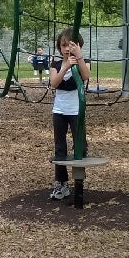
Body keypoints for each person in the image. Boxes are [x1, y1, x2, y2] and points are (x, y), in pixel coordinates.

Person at [48, 28, 90, 200]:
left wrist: (78, 57)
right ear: (59, 48)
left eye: (70, 45)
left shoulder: (83, 61)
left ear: (78, 45)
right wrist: (65, 66)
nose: (67, 49)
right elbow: (54, 83)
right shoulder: (56, 65)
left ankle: (79, 180)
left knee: (81, 145)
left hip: (76, 110)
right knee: (60, 148)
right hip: (60, 110)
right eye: (63, 45)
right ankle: (62, 183)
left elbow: (85, 76)